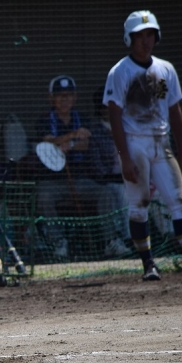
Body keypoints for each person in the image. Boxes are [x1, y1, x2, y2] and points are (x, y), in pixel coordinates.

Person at [103, 10, 182, 281]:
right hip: (134, 143)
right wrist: (124, 158)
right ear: (129, 38)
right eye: (140, 36)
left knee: (180, 202)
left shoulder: (165, 69)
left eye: (150, 34)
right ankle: (148, 264)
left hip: (162, 144)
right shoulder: (120, 71)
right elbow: (114, 116)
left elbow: (174, 109)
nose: (146, 41)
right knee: (139, 205)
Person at [34, 75, 120, 258]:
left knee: (105, 193)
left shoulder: (82, 119)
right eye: (60, 95)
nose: (64, 99)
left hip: (80, 179)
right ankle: (58, 242)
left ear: (75, 98)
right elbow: (48, 142)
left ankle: (111, 241)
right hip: (53, 181)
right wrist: (72, 136)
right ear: (51, 98)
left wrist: (67, 144)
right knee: (43, 195)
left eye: (69, 95)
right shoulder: (43, 120)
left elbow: (85, 144)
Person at [90, 89, 132, 256]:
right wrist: (116, 178)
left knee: (158, 193)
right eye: (105, 106)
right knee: (123, 193)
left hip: (134, 177)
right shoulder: (95, 132)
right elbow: (96, 168)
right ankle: (129, 239)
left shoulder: (129, 127)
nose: (109, 109)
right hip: (111, 181)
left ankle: (169, 236)